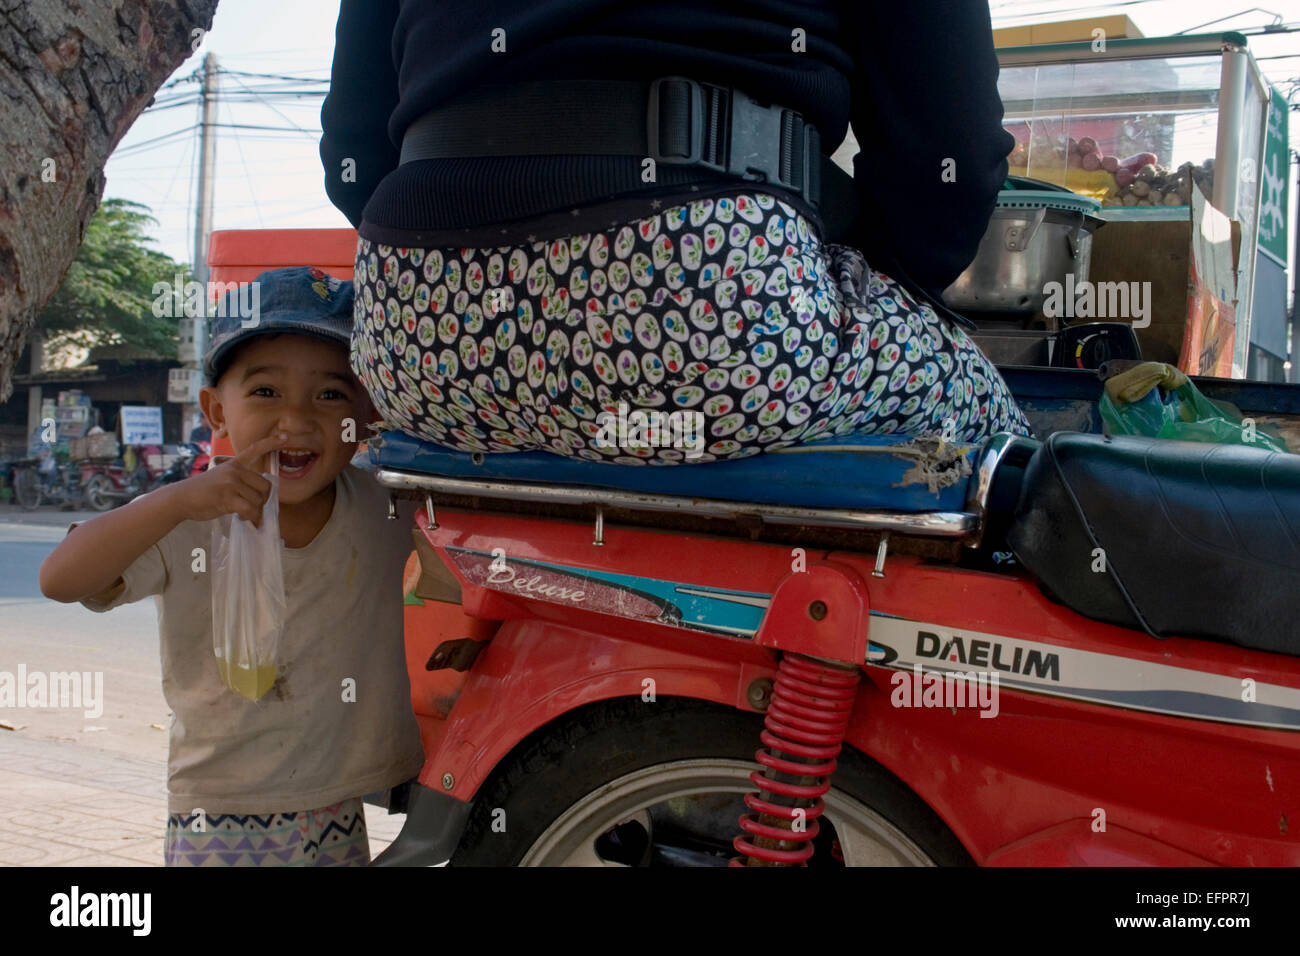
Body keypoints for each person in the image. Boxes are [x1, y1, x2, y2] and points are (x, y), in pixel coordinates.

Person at [320, 0, 1032, 465]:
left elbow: (352, 157)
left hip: (417, 345)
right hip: (708, 312)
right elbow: (954, 158)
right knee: (1001, 444)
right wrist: (859, 280)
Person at [38, 267, 425, 866]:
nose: (295, 421)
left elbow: (471, 569)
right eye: (266, 392)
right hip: (220, 811)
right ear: (217, 410)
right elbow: (60, 579)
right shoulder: (186, 515)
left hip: (336, 805)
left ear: (367, 415)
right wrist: (173, 502)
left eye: (330, 394)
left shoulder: (385, 506)